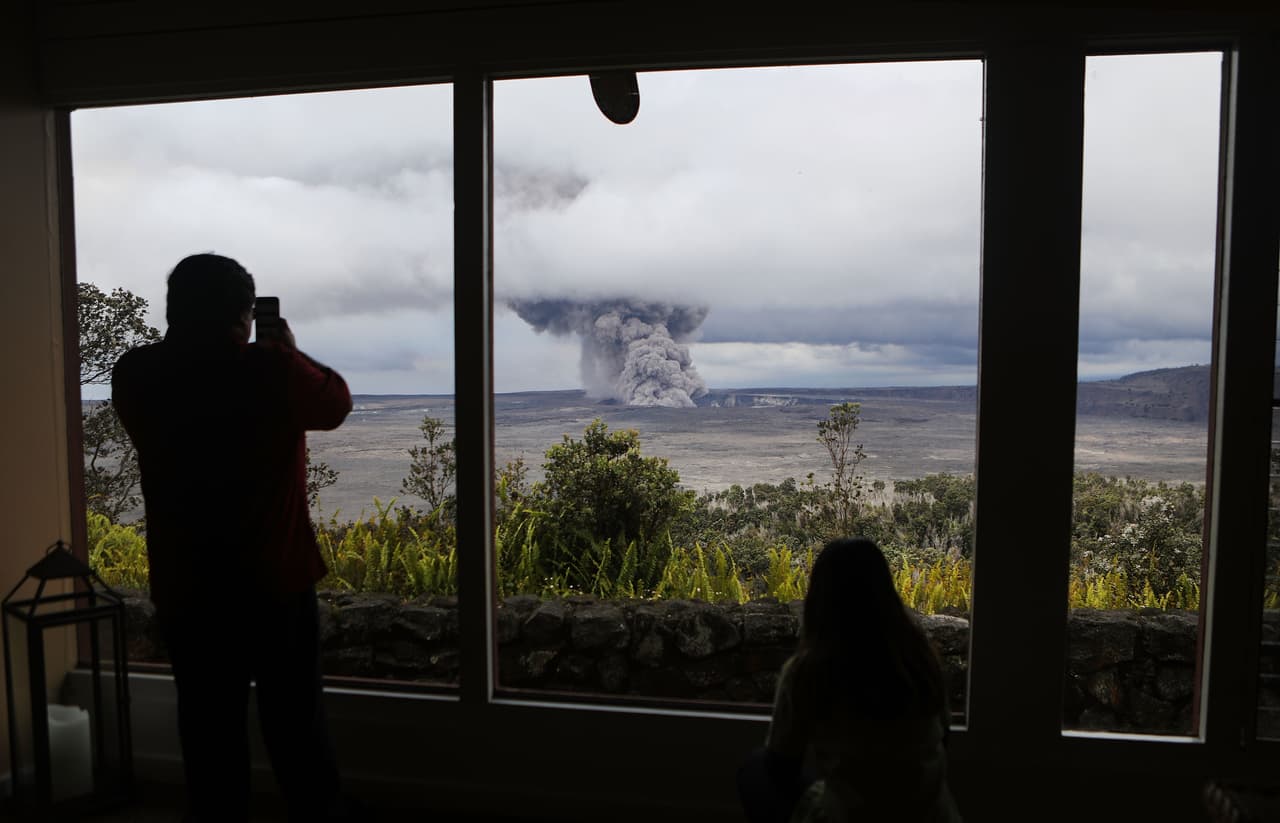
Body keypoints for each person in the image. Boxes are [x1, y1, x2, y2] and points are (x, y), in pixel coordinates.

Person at [112, 253, 357, 822]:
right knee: (296, 726)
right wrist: (286, 349)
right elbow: (336, 403)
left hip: (187, 584)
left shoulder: (137, 373)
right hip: (274, 580)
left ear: (173, 308)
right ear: (245, 315)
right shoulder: (269, 368)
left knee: (207, 731)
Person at [738, 537, 962, 823]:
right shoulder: (920, 659)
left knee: (754, 771)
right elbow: (942, 742)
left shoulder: (809, 670)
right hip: (934, 815)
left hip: (852, 815)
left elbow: (781, 765)